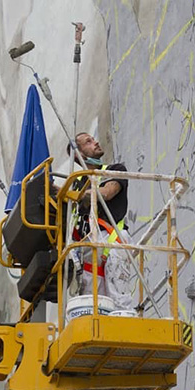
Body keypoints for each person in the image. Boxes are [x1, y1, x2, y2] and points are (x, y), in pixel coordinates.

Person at [68, 132, 135, 309]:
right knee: (92, 306)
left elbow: (106, 193)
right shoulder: (75, 184)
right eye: (88, 142)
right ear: (79, 155)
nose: (96, 142)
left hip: (113, 240)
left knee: (119, 300)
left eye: (93, 139)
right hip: (88, 248)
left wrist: (76, 195)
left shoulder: (114, 170)